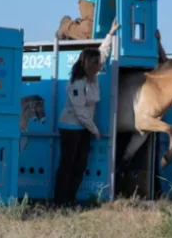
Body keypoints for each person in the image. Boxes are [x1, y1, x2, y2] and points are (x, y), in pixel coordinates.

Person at [53, 19, 120, 208]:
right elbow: (80, 112)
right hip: (71, 127)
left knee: (80, 165)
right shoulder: (77, 84)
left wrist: (111, 32)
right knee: (68, 164)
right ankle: (60, 201)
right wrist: (94, 130)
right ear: (90, 65)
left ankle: (70, 199)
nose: (101, 65)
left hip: (84, 128)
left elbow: (103, 51)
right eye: (98, 64)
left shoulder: (92, 77)